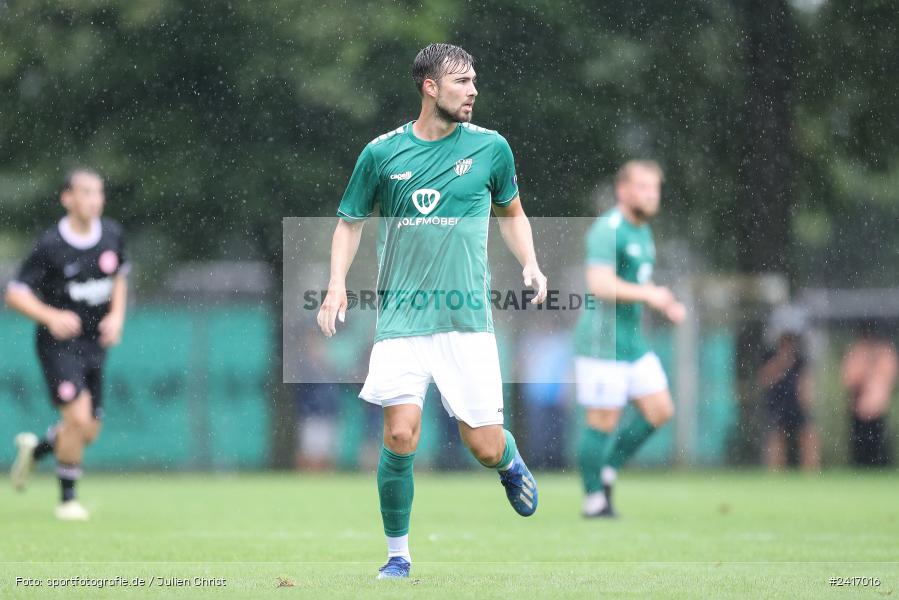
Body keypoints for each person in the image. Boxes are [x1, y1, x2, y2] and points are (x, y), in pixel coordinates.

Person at [316, 43, 547, 579]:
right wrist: (335, 285)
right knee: (399, 434)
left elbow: (512, 214)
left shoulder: (492, 149)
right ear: (430, 87)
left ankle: (507, 461)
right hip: (400, 319)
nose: (472, 90)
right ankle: (398, 556)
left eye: (473, 81)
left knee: (482, 444)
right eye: (461, 81)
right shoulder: (381, 153)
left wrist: (531, 264)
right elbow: (349, 222)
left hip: (466, 321)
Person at [6, 168, 128, 521]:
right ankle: (67, 500)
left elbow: (119, 276)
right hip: (59, 345)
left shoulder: (112, 234)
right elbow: (16, 293)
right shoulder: (50, 245)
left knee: (88, 430)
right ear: (67, 198)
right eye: (86, 192)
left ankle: (39, 448)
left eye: (98, 193)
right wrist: (49, 316)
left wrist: (117, 316)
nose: (94, 200)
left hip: (95, 344)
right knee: (76, 416)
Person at [573, 160, 686, 518]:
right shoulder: (609, 229)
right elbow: (601, 285)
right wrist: (648, 295)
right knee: (602, 421)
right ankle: (594, 500)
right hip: (602, 343)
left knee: (659, 410)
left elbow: (639, 284)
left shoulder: (643, 231)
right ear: (623, 191)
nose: (650, 195)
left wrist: (663, 301)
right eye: (642, 187)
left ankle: (607, 467)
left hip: (632, 342)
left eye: (654, 188)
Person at [757, 331, 820, 470]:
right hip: (778, 404)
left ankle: (812, 474)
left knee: (808, 437)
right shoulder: (770, 357)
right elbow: (764, 379)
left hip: (796, 404)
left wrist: (807, 400)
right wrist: (781, 363)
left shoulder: (800, 359)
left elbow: (805, 382)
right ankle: (775, 475)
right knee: (777, 439)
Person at [841, 320, 897, 467]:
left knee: (879, 447)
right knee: (859, 447)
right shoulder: (855, 352)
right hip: (858, 408)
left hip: (878, 408)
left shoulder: (885, 352)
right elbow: (849, 379)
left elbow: (889, 377)